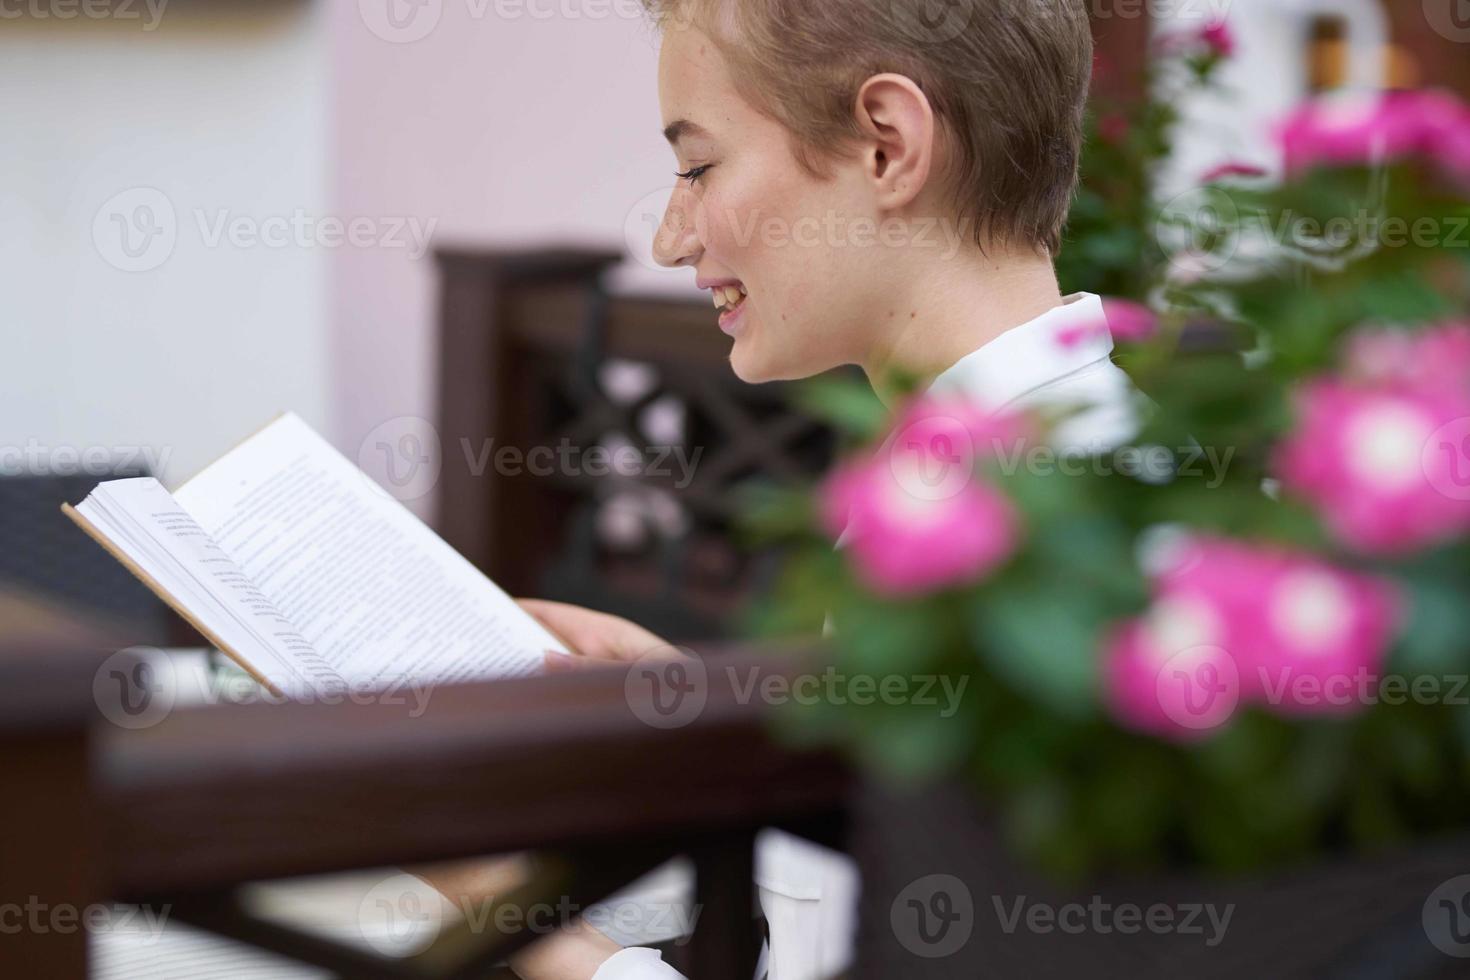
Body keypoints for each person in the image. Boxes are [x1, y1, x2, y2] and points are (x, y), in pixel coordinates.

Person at [477, 1, 1139, 976]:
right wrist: (709, 723)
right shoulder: (1046, 468)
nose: (668, 237)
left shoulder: (1018, 561)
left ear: (886, 145)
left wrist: (514, 921)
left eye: (699, 166)